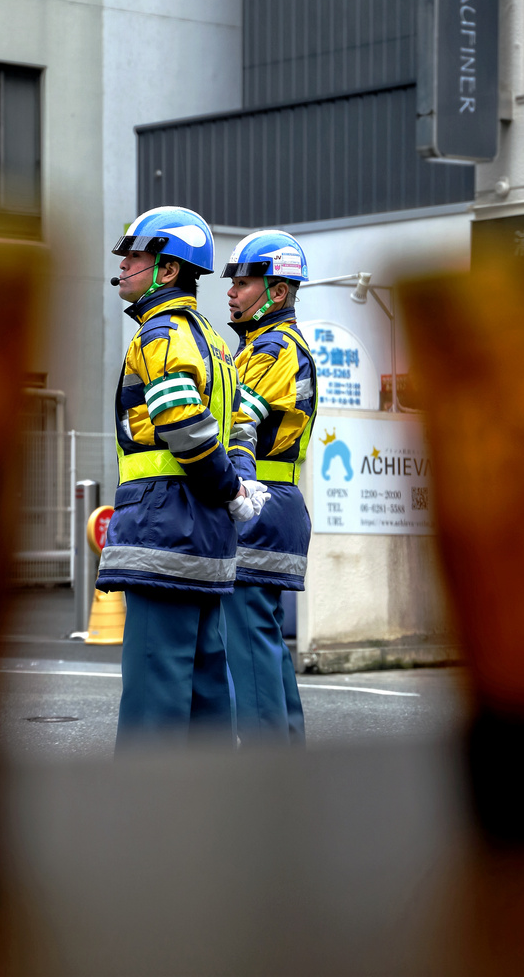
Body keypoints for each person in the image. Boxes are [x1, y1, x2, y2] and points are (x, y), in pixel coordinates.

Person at [95, 206, 268, 747]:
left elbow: (182, 424)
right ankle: (216, 821)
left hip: (161, 526)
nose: (123, 267)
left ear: (168, 270)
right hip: (209, 535)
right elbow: (240, 429)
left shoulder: (159, 334)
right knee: (208, 692)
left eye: (135, 257)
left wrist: (225, 487)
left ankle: (149, 828)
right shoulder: (216, 344)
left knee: (156, 699)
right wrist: (237, 488)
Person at [220, 230, 317, 745]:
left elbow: (236, 423)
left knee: (249, 645)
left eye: (243, 282)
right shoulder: (263, 346)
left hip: (257, 503)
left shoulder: (275, 347)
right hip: (272, 502)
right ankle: (285, 765)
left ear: (277, 292)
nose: (231, 291)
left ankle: (266, 782)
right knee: (264, 641)